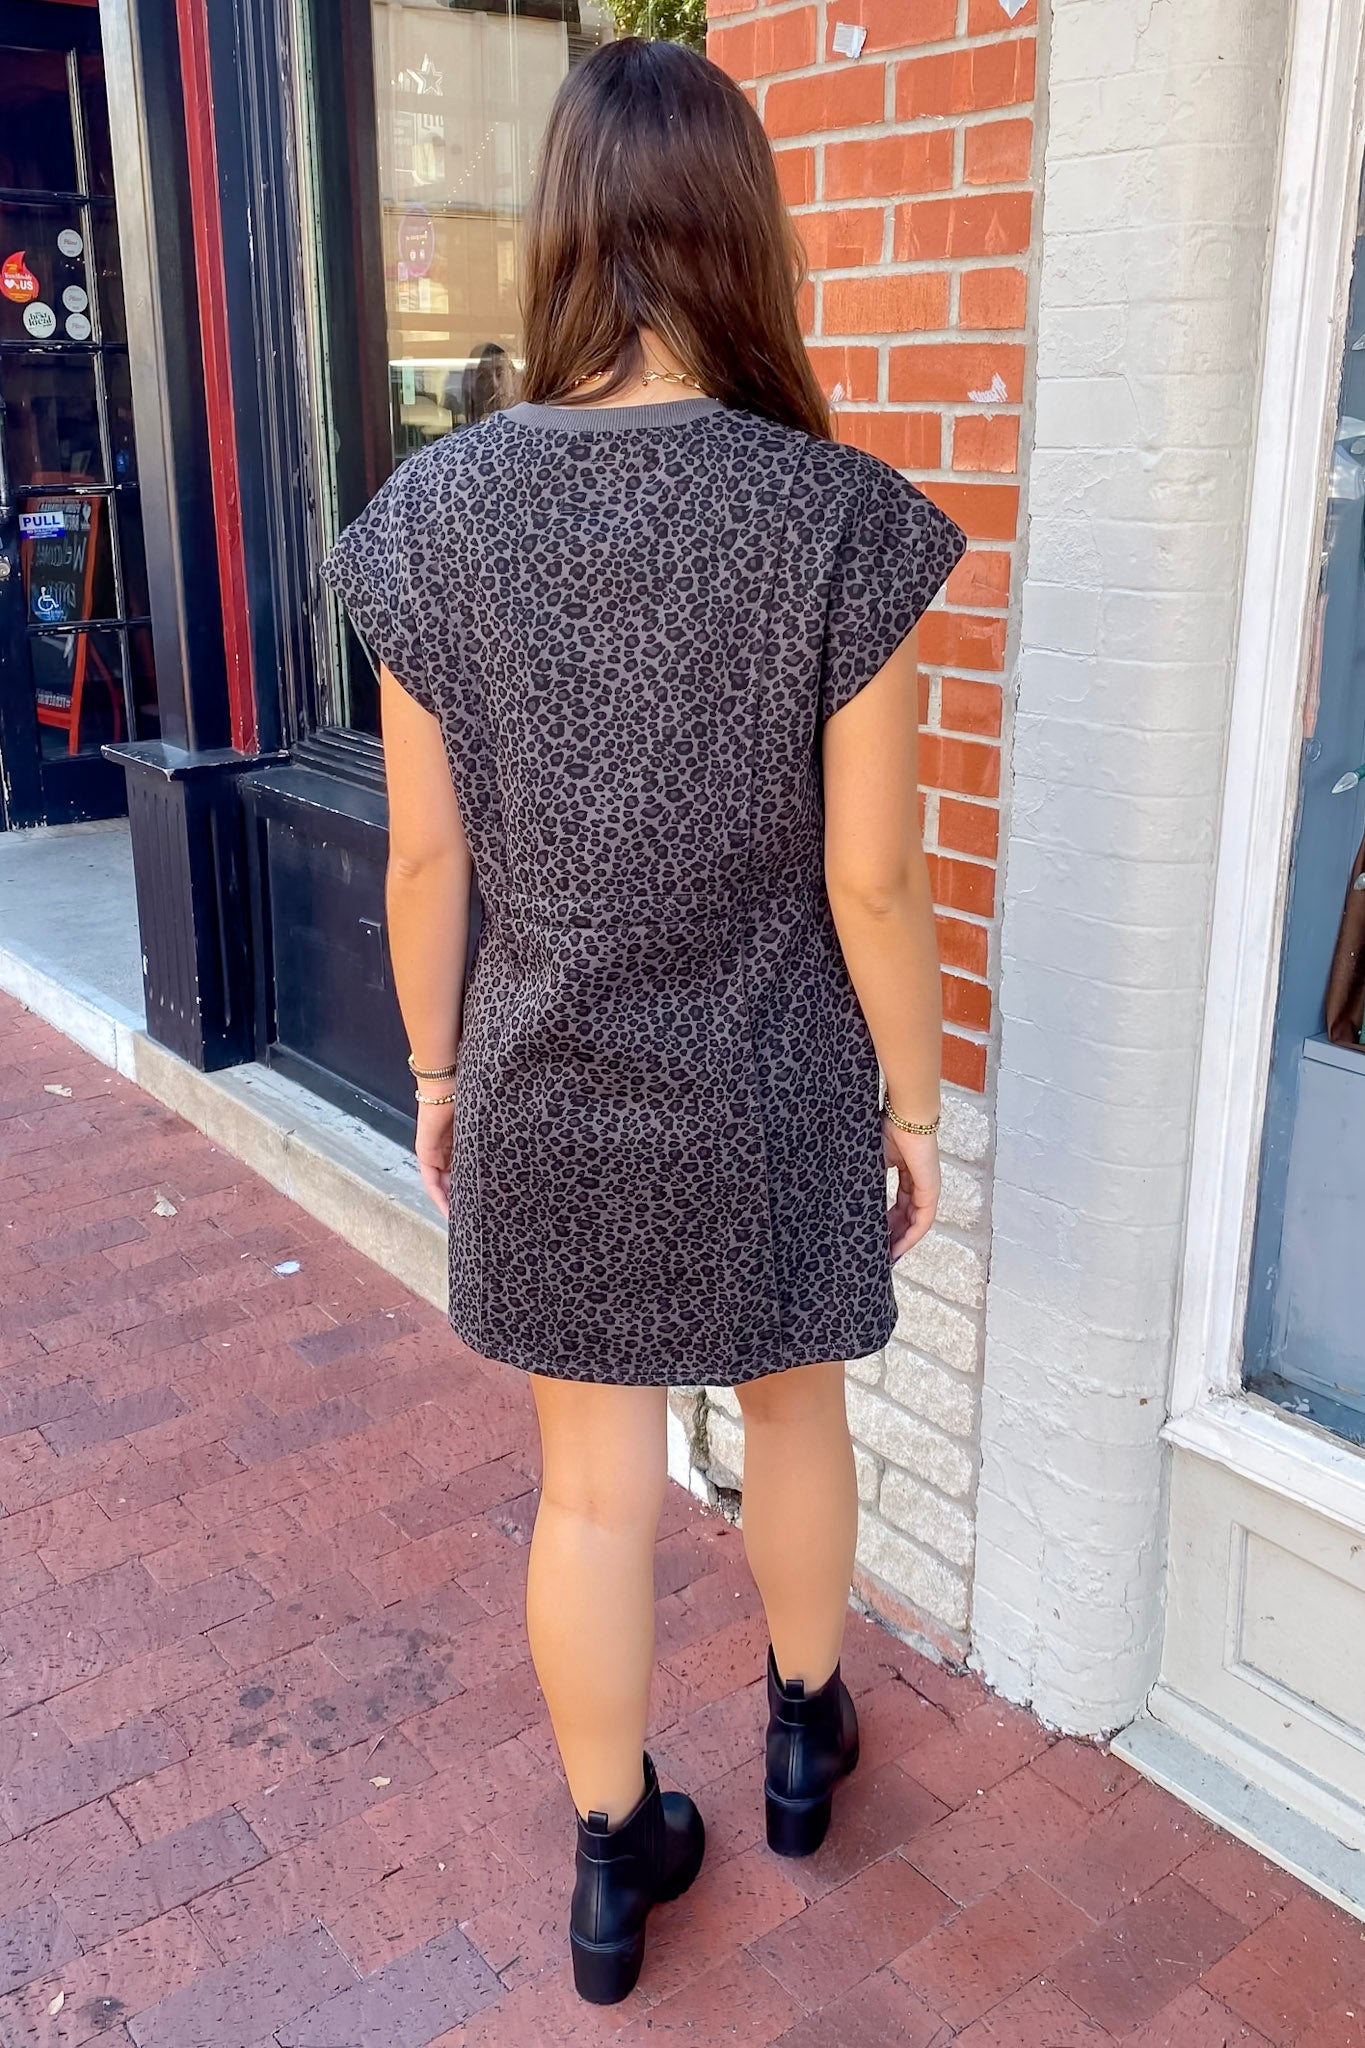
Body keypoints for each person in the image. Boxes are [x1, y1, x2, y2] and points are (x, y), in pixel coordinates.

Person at [320, 36, 965, 2008]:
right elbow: (873, 879)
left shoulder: (432, 518)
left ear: (559, 235)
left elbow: (424, 862)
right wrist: (915, 1104)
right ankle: (800, 1746)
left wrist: (436, 1070)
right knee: (793, 1407)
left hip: (544, 1078)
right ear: (740, 237)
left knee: (590, 1488)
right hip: (771, 1078)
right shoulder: (839, 518)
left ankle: (611, 1869)